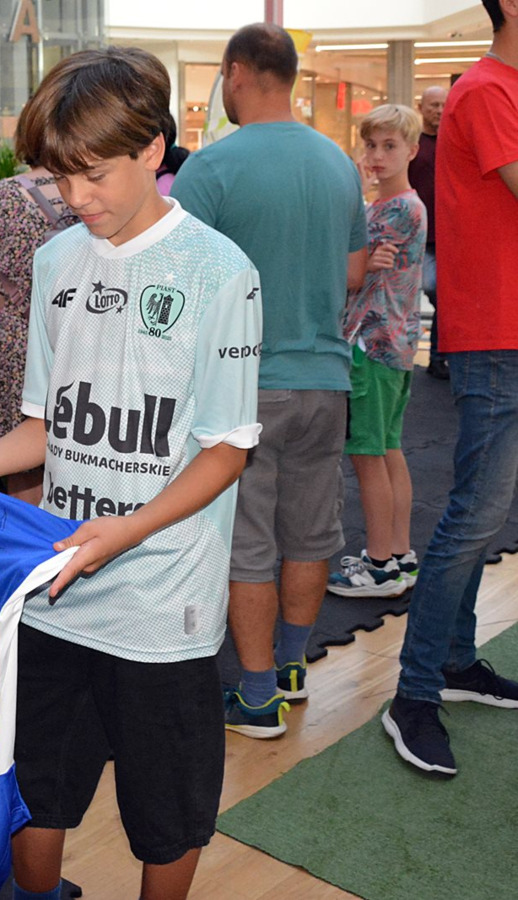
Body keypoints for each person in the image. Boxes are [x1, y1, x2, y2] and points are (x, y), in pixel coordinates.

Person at [0, 46, 262, 900]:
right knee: (37, 789)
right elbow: (43, 430)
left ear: (153, 150)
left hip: (162, 607)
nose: (76, 197)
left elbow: (227, 449)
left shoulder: (219, 272)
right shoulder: (56, 262)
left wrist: (125, 532)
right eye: (61, 177)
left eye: (95, 174)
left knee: (168, 813)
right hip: (54, 591)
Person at [171, 22, 368, 738]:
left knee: (248, 540)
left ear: (236, 73)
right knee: (311, 534)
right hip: (326, 379)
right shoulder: (338, 164)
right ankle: (291, 669)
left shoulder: (211, 169)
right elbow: (354, 273)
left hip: (244, 386)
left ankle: (257, 698)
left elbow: (178, 281)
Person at [384, 0, 518, 777]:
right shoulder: (487, 89)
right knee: (475, 515)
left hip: (506, 330)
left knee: (485, 511)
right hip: (495, 333)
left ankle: (457, 661)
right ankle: (414, 692)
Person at [328, 105, 426, 599]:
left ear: (412, 150)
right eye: (371, 145)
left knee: (369, 457)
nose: (377, 155)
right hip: (395, 344)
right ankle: (398, 554)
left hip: (372, 344)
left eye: (389, 146)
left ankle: (381, 563)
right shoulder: (396, 206)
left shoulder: (394, 210)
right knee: (387, 451)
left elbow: (350, 270)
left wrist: (358, 260)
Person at [0, 105, 77, 503]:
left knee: (23, 465)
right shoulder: (90, 194)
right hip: (84, 340)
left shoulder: (3, 196)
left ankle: (30, 538)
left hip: (23, 346)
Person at [409, 85, 450, 380]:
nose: (439, 110)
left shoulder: (454, 141)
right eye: (433, 105)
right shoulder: (413, 144)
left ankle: (438, 357)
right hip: (417, 235)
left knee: (444, 298)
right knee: (432, 290)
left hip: (448, 235)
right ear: (421, 107)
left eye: (443, 105)